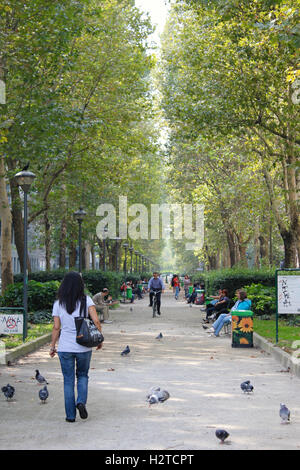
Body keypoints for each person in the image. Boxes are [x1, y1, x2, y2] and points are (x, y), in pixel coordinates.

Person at [50, 271, 103, 422]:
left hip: (65, 348)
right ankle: (81, 402)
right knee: (83, 376)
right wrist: (99, 339)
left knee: (68, 380)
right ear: (81, 285)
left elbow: (56, 328)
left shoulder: (58, 303)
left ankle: (70, 416)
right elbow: (96, 322)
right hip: (83, 347)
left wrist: (53, 346)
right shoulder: (87, 300)